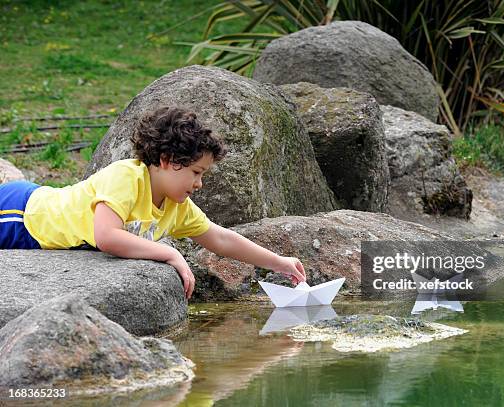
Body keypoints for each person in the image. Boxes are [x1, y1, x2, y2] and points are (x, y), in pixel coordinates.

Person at [0, 106, 306, 299]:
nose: (199, 184)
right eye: (196, 173)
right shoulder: (126, 178)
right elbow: (107, 236)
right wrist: (169, 254)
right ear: (166, 160)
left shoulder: (177, 205)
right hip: (22, 215)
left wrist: (279, 263)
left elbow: (220, 238)